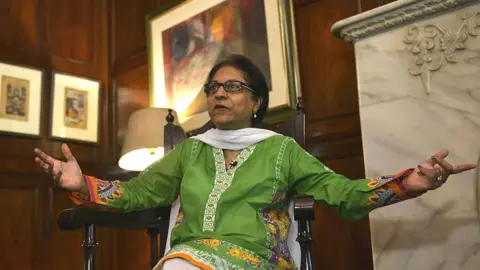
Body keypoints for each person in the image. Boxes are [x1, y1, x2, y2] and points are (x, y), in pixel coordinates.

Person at [34, 54, 476, 270]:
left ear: (257, 101)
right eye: (213, 87)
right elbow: (138, 193)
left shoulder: (280, 150)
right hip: (188, 258)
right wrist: (80, 181)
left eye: (232, 86)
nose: (219, 93)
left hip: (256, 262)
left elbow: (342, 194)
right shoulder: (191, 150)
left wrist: (409, 182)